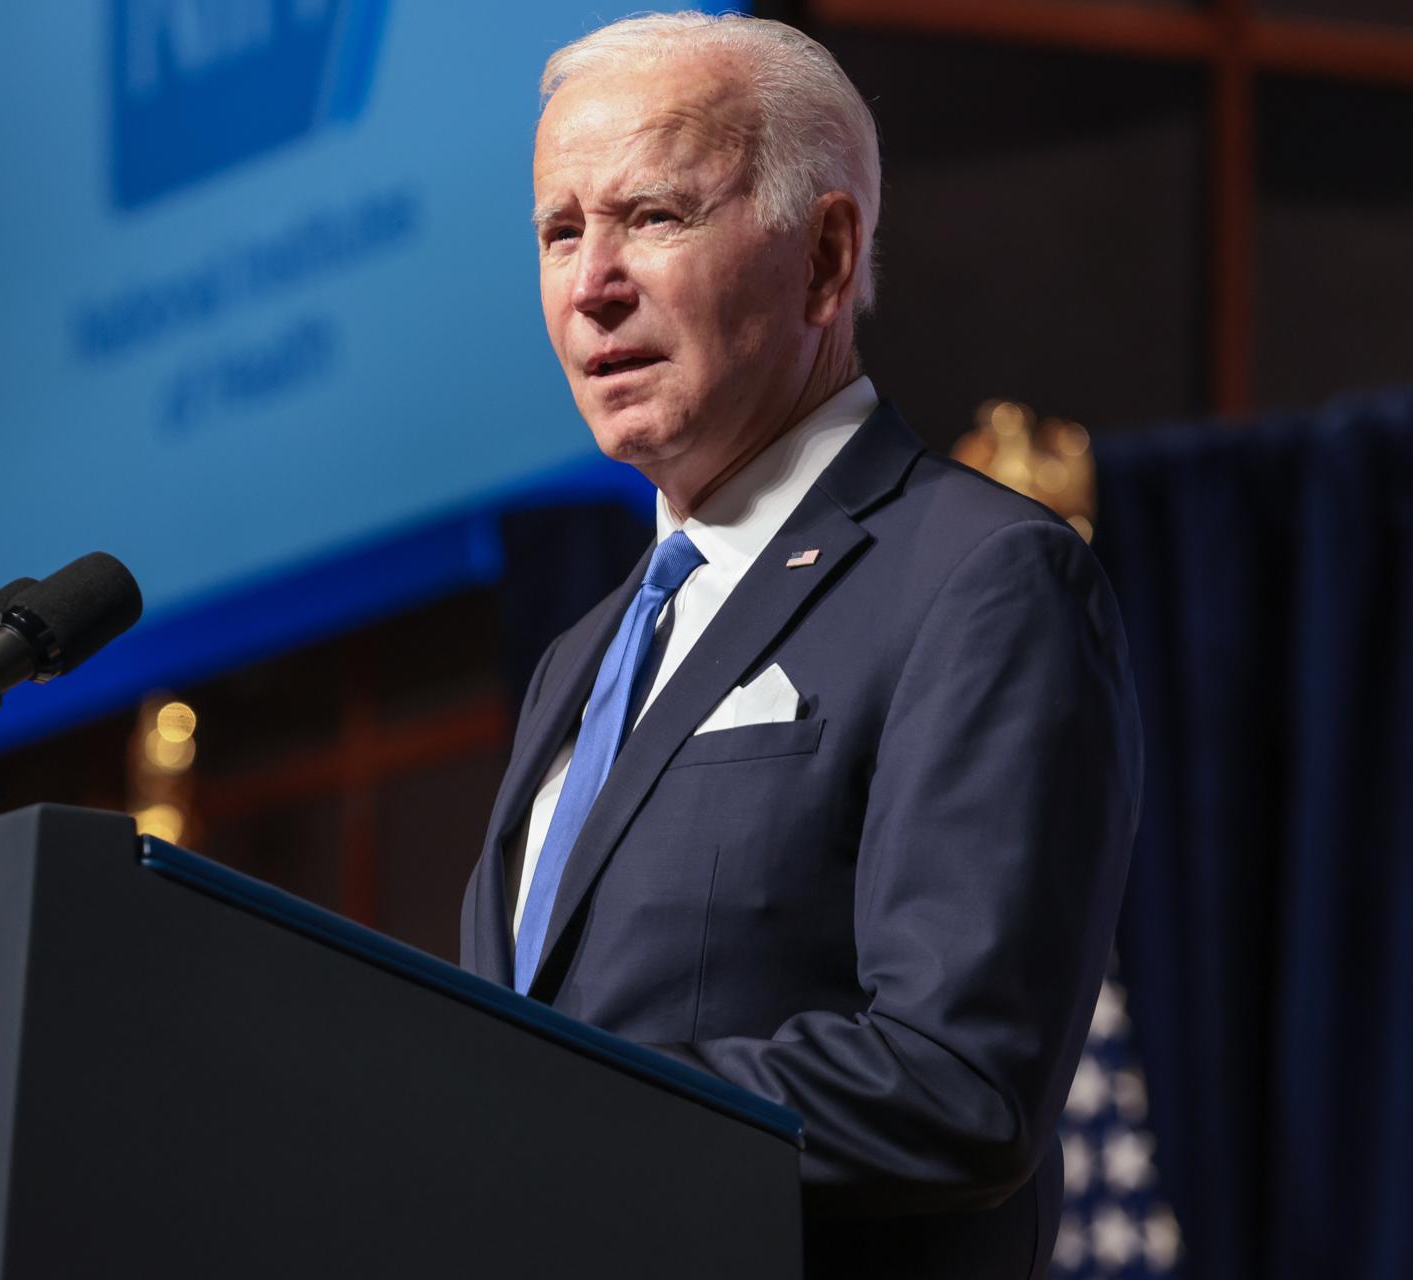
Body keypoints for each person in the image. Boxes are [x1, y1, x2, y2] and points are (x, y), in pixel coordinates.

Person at [458, 12, 1143, 1279]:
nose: (592, 281)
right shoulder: (581, 656)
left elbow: (957, 1075)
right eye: (563, 231)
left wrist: (541, 1111)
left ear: (826, 257)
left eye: (652, 216)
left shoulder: (977, 578)